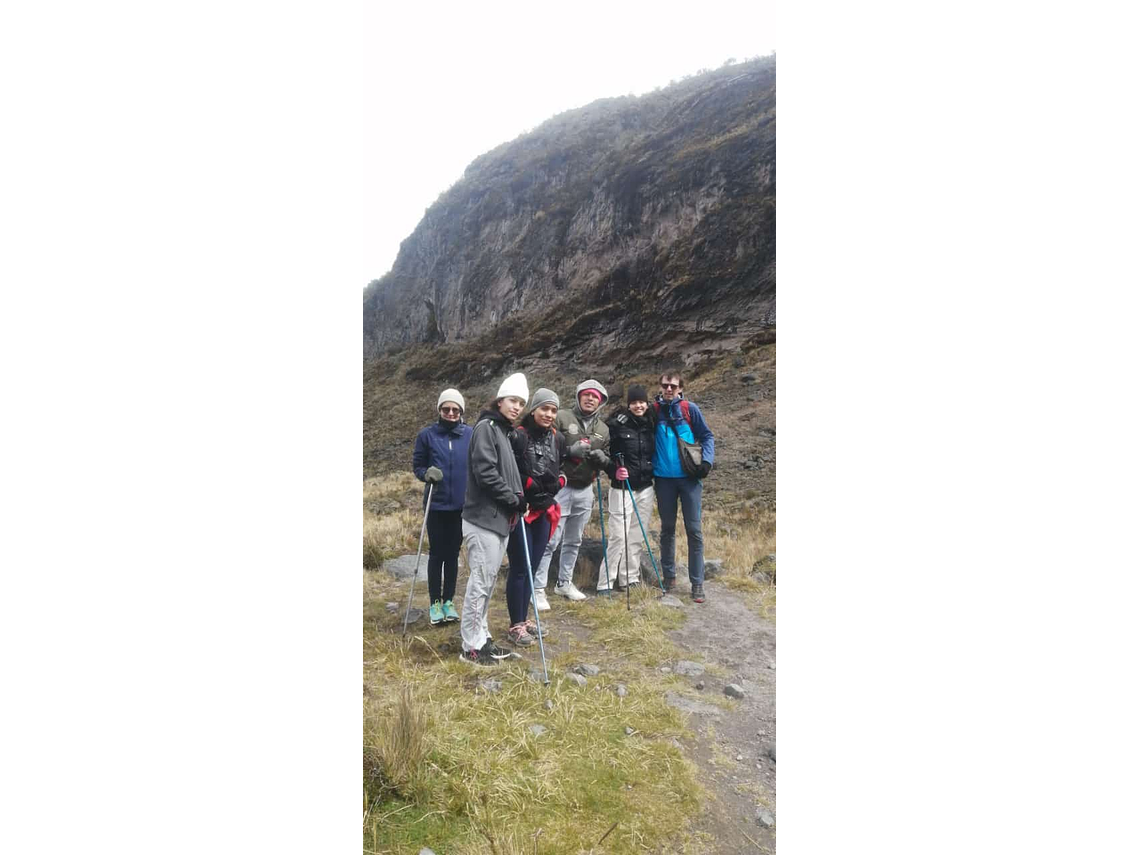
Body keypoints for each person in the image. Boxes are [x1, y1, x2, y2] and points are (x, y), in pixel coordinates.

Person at [458, 373, 529, 666]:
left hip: (499, 521)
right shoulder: (487, 428)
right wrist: (515, 500)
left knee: (486, 583)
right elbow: (486, 473)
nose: (517, 407)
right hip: (483, 520)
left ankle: (482, 638)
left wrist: (517, 500)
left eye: (522, 403)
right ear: (500, 400)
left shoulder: (502, 431)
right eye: (513, 400)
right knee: (480, 582)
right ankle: (470, 647)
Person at [534, 380, 611, 604]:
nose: (590, 399)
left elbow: (608, 456)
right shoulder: (561, 417)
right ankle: (537, 588)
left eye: (595, 396)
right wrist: (568, 452)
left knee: (574, 540)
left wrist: (604, 460)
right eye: (586, 395)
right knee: (550, 539)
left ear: (601, 401)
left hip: (586, 488)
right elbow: (545, 446)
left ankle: (563, 583)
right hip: (561, 487)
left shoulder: (603, 429)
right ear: (578, 397)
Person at [504, 388, 569, 645]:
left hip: (544, 509)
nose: (549, 414)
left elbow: (562, 465)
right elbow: (507, 469)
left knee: (533, 566)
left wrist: (561, 481)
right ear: (533, 410)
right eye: (544, 408)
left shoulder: (558, 438)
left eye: (553, 410)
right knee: (520, 567)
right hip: (521, 510)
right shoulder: (518, 436)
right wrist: (527, 482)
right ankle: (515, 625)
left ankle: (524, 619)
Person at [652, 371, 715, 603]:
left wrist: (707, 461)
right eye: (665, 385)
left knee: (694, 531)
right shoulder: (655, 411)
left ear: (680, 388)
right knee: (667, 529)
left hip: (689, 479)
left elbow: (707, 436)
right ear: (660, 386)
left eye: (673, 386)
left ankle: (697, 583)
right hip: (663, 479)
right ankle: (669, 577)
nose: (669, 389)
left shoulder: (690, 410)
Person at [412, 388, 472, 626]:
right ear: (439, 410)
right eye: (446, 409)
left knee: (453, 554)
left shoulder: (469, 434)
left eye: (455, 409)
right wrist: (426, 473)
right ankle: (435, 603)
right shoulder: (427, 435)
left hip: (461, 506)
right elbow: (417, 465)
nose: (450, 413)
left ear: (461, 412)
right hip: (435, 506)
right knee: (437, 555)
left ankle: (449, 601)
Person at [599, 385, 657, 592]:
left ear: (647, 403)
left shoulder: (651, 423)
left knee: (635, 536)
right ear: (628, 404)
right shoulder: (616, 425)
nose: (638, 406)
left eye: (641, 402)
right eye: (634, 402)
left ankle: (629, 578)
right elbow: (601, 449)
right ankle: (605, 582)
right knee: (618, 535)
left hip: (645, 488)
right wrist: (613, 469)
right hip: (622, 487)